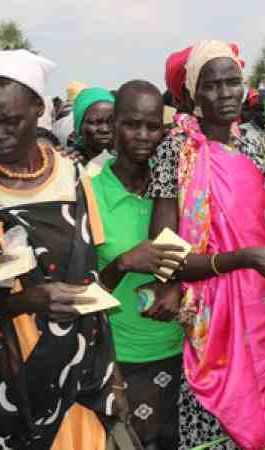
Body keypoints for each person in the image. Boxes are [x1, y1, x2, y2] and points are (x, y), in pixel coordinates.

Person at [0, 49, 131, 450]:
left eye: (12, 121)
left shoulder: (73, 175)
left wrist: (112, 378)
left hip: (77, 375)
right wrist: (30, 300)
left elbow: (88, 279)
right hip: (1, 379)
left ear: (38, 109)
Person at [147, 40, 265, 450]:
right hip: (211, 316)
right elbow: (168, 258)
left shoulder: (253, 144)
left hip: (262, 305)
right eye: (212, 85)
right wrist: (247, 257)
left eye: (233, 82)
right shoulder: (175, 152)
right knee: (216, 428)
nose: (225, 94)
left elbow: (252, 222)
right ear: (193, 93)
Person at [92, 80, 185, 450]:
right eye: (132, 124)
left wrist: (177, 284)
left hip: (182, 357)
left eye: (153, 125)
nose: (144, 136)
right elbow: (79, 291)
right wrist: (122, 264)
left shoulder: (179, 189)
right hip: (119, 363)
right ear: (112, 125)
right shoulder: (89, 192)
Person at [72, 87, 116, 174]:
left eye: (111, 122)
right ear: (79, 128)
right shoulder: (68, 165)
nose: (105, 129)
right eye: (95, 122)